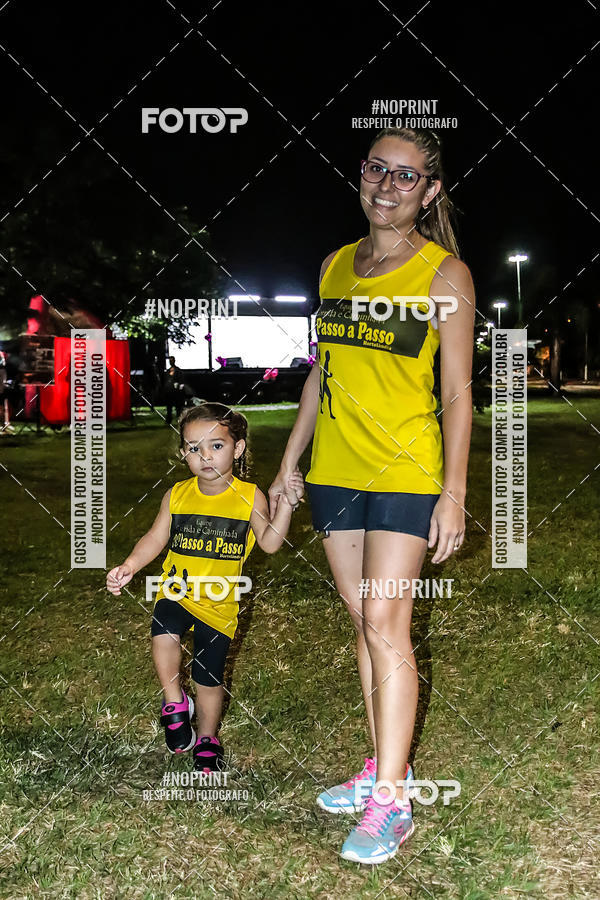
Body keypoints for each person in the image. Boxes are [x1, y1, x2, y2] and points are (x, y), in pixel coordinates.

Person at [268, 127, 475, 864]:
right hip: (336, 470)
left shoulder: (443, 274)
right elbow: (320, 373)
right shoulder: (332, 267)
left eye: (407, 176)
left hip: (406, 472)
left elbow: (457, 392)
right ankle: (387, 764)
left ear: (431, 191)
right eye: (377, 170)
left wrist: (452, 494)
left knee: (387, 617)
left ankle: (392, 801)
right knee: (363, 618)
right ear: (362, 174)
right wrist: (291, 463)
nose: (388, 185)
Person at [107, 401, 304, 771]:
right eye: (194, 448)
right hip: (176, 590)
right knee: (163, 632)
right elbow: (154, 537)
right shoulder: (178, 494)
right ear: (184, 453)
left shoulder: (249, 497)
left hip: (219, 601)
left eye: (216, 446)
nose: (205, 456)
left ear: (238, 448)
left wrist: (288, 506)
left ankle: (209, 737)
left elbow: (270, 543)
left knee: (207, 677)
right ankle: (174, 702)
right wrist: (130, 565)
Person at [164, 356, 185, 425]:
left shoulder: (178, 370)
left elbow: (181, 380)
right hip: (169, 391)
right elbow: (166, 380)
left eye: (172, 360)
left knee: (178, 407)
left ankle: (179, 419)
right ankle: (168, 420)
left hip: (176, 392)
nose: (171, 362)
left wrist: (179, 386)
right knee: (169, 407)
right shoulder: (168, 371)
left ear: (174, 361)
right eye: (170, 361)